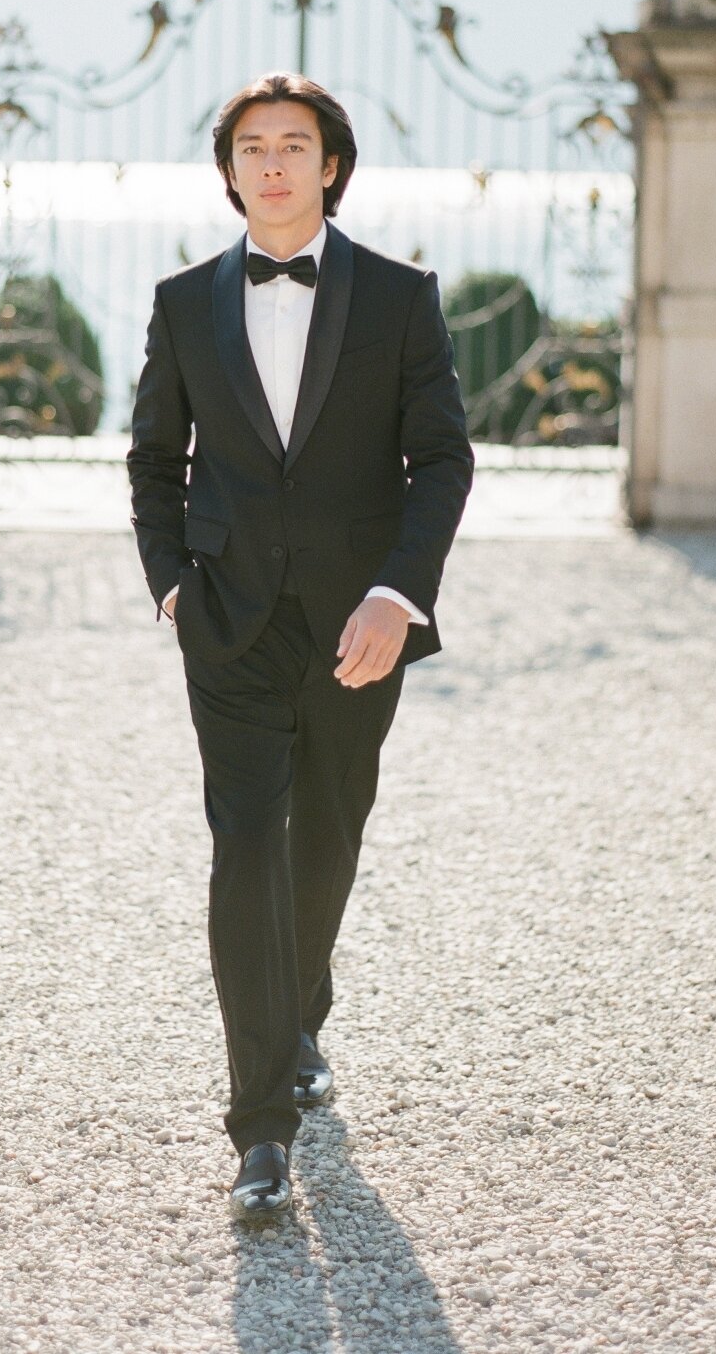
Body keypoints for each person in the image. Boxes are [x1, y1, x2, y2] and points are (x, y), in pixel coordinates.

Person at [126, 71, 474, 1222]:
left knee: (325, 835)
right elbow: (151, 461)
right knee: (244, 844)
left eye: (295, 145)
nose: (273, 163)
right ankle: (260, 1129)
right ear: (228, 170)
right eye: (252, 146)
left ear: (332, 165)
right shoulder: (183, 302)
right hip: (226, 621)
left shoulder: (399, 296)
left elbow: (442, 461)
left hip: (354, 624)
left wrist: (397, 595)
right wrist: (173, 589)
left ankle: (303, 1008)